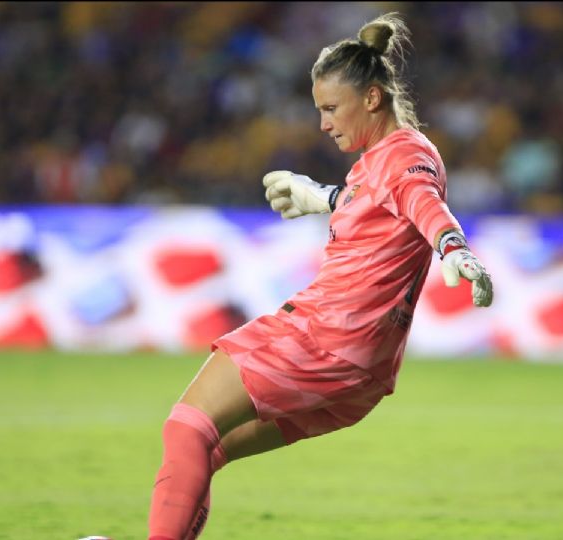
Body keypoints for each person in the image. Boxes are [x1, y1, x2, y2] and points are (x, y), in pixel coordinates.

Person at [145, 13, 493, 540]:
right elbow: (384, 202)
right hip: (362, 373)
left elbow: (424, 204)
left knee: (186, 428)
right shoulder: (386, 157)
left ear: (372, 99)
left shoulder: (405, 157)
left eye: (331, 109)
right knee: (209, 450)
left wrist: (453, 247)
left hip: (323, 338)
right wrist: (323, 196)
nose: (324, 124)